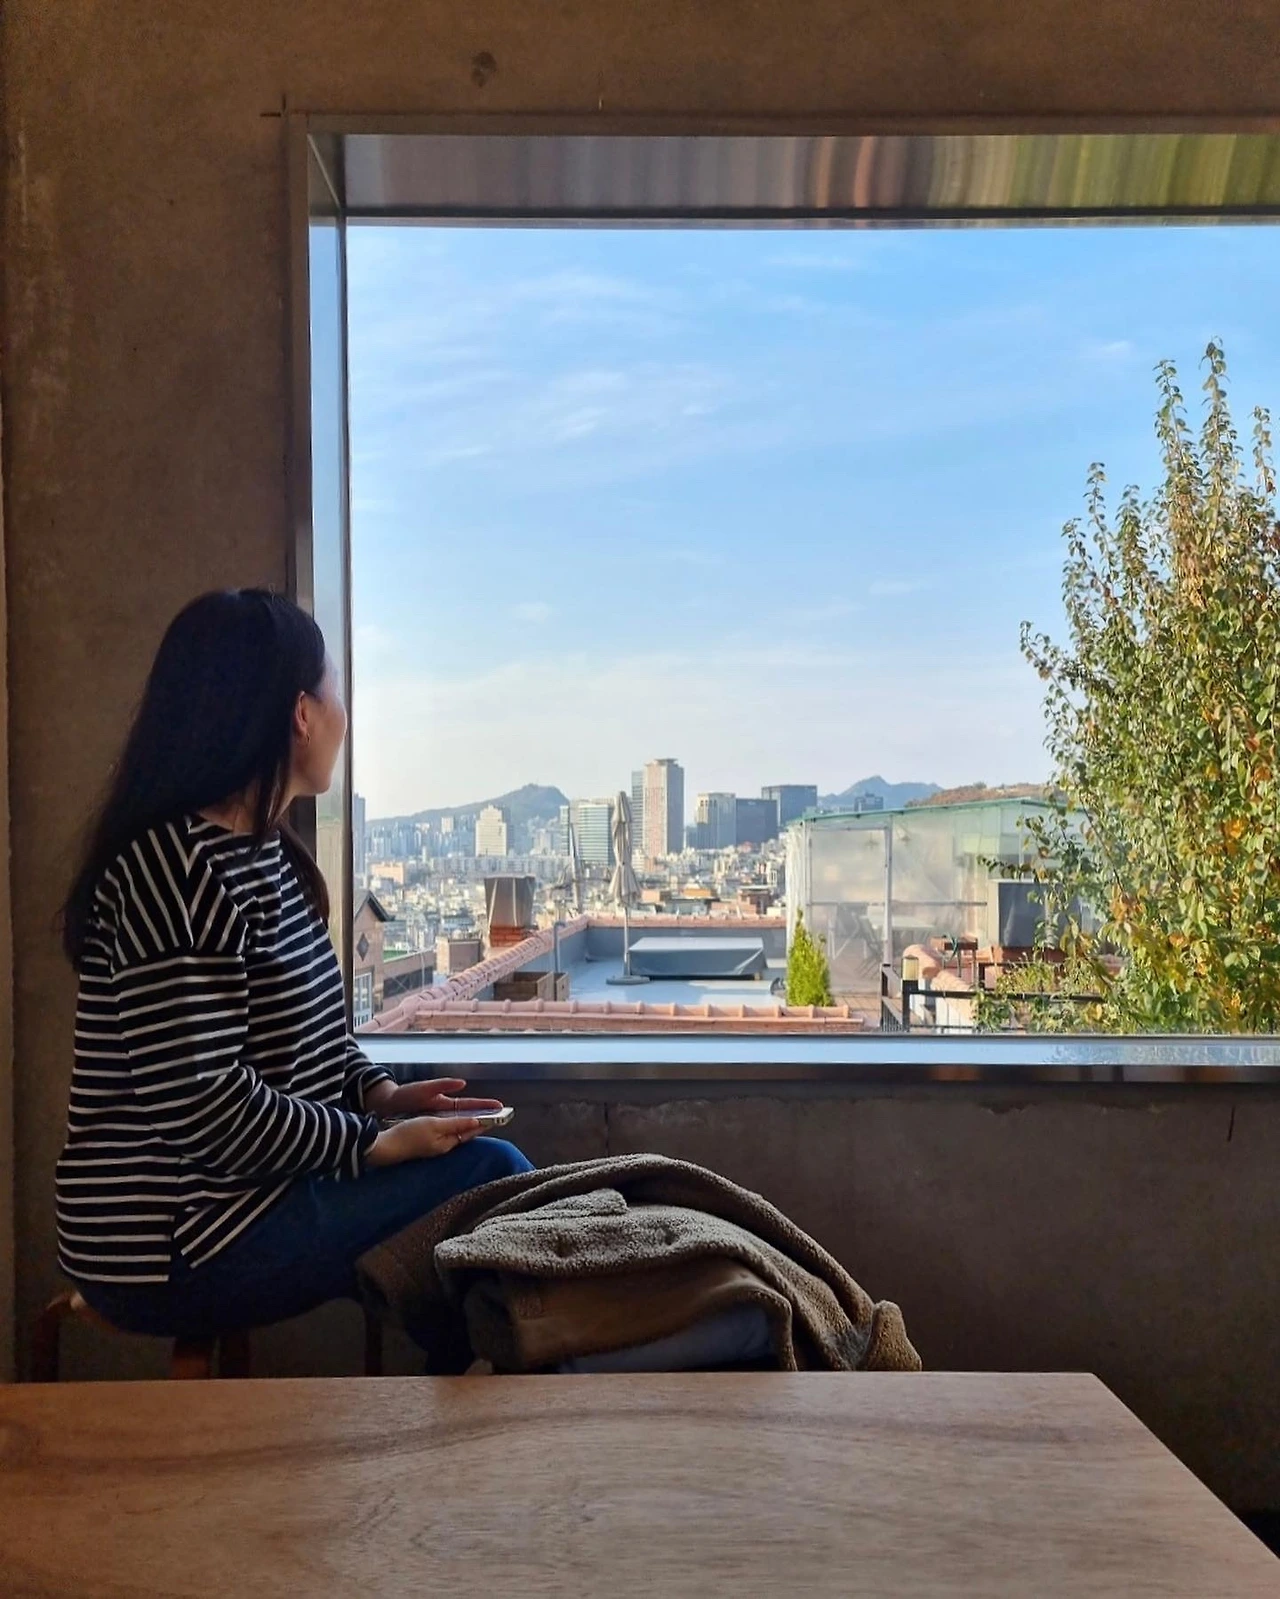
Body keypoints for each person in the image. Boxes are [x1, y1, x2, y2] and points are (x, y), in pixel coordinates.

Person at [56, 588, 532, 1343]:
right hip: (172, 1236)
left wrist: (379, 1094)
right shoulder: (173, 868)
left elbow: (308, 1037)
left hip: (244, 1198)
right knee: (491, 1178)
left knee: (479, 1191)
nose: (345, 717)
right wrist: (368, 1143)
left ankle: (476, 1386)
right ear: (301, 713)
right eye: (336, 691)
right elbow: (205, 1106)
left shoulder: (265, 854)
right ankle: (505, 1394)